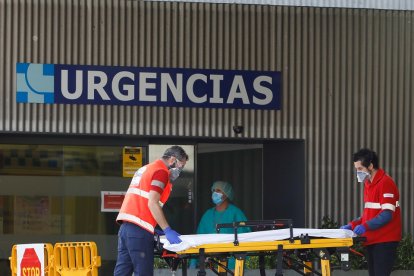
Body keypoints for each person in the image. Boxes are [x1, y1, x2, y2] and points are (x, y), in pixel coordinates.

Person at [114, 145, 188, 276]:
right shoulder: (161, 172)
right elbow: (153, 202)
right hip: (139, 231)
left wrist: (153, 228)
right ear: (172, 160)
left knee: (122, 272)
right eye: (180, 165)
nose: (180, 170)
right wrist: (167, 229)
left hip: (125, 229)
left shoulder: (146, 168)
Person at [340, 148, 401, 276]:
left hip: (384, 241)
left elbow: (386, 215)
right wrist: (352, 225)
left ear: (371, 166)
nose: (358, 172)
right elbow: (369, 214)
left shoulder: (385, 182)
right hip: (372, 240)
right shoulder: (368, 184)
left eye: (360, 169)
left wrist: (364, 226)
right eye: (356, 169)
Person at [189, 181, 250, 269]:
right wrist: (193, 262)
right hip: (209, 264)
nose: (215, 193)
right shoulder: (208, 215)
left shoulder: (235, 213)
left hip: (231, 264)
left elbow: (245, 238)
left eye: (218, 191)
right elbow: (198, 239)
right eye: (214, 190)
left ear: (226, 194)